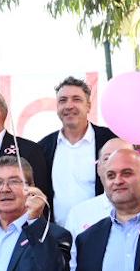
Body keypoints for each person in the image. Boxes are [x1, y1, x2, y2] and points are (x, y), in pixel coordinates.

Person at [35, 76, 119, 226]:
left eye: (76, 99)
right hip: (58, 233)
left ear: (88, 106)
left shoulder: (110, 141)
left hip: (102, 230)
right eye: (63, 100)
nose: (69, 106)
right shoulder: (43, 148)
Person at [63, 138, 135, 235]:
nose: (115, 165)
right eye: (107, 158)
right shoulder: (79, 214)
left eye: (124, 158)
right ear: (98, 168)